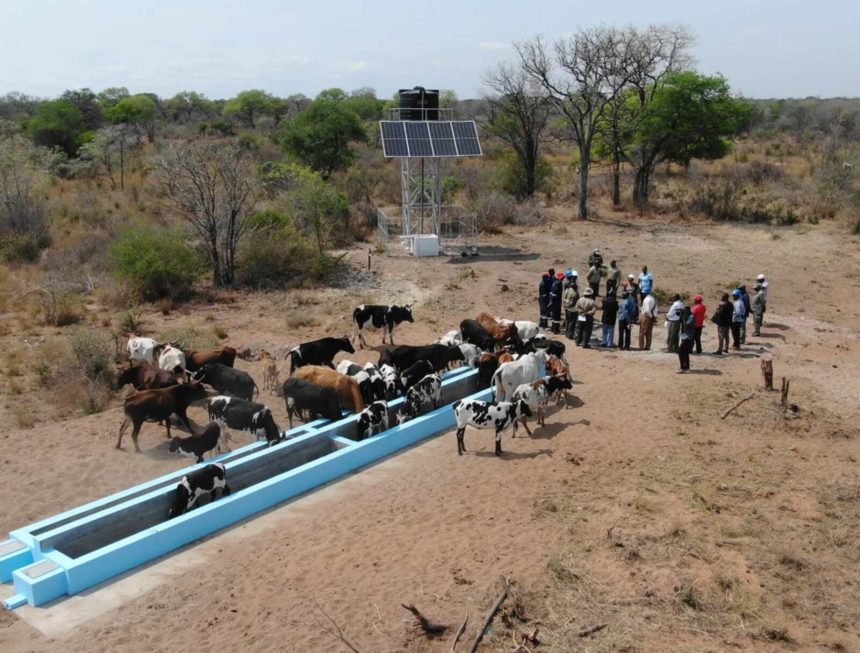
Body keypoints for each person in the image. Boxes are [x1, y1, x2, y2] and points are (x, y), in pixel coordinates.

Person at [562, 272, 580, 340]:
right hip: (573, 310)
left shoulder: (567, 290)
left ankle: (566, 333)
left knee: (568, 321)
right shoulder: (574, 294)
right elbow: (572, 303)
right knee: (572, 323)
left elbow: (564, 298)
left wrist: (566, 305)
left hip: (567, 308)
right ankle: (570, 335)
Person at [677, 306, 695, 373]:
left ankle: (683, 367)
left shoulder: (691, 317)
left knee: (680, 351)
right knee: (685, 352)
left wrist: (683, 317)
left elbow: (687, 325)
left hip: (688, 337)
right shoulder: (687, 316)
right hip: (684, 336)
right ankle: (686, 367)